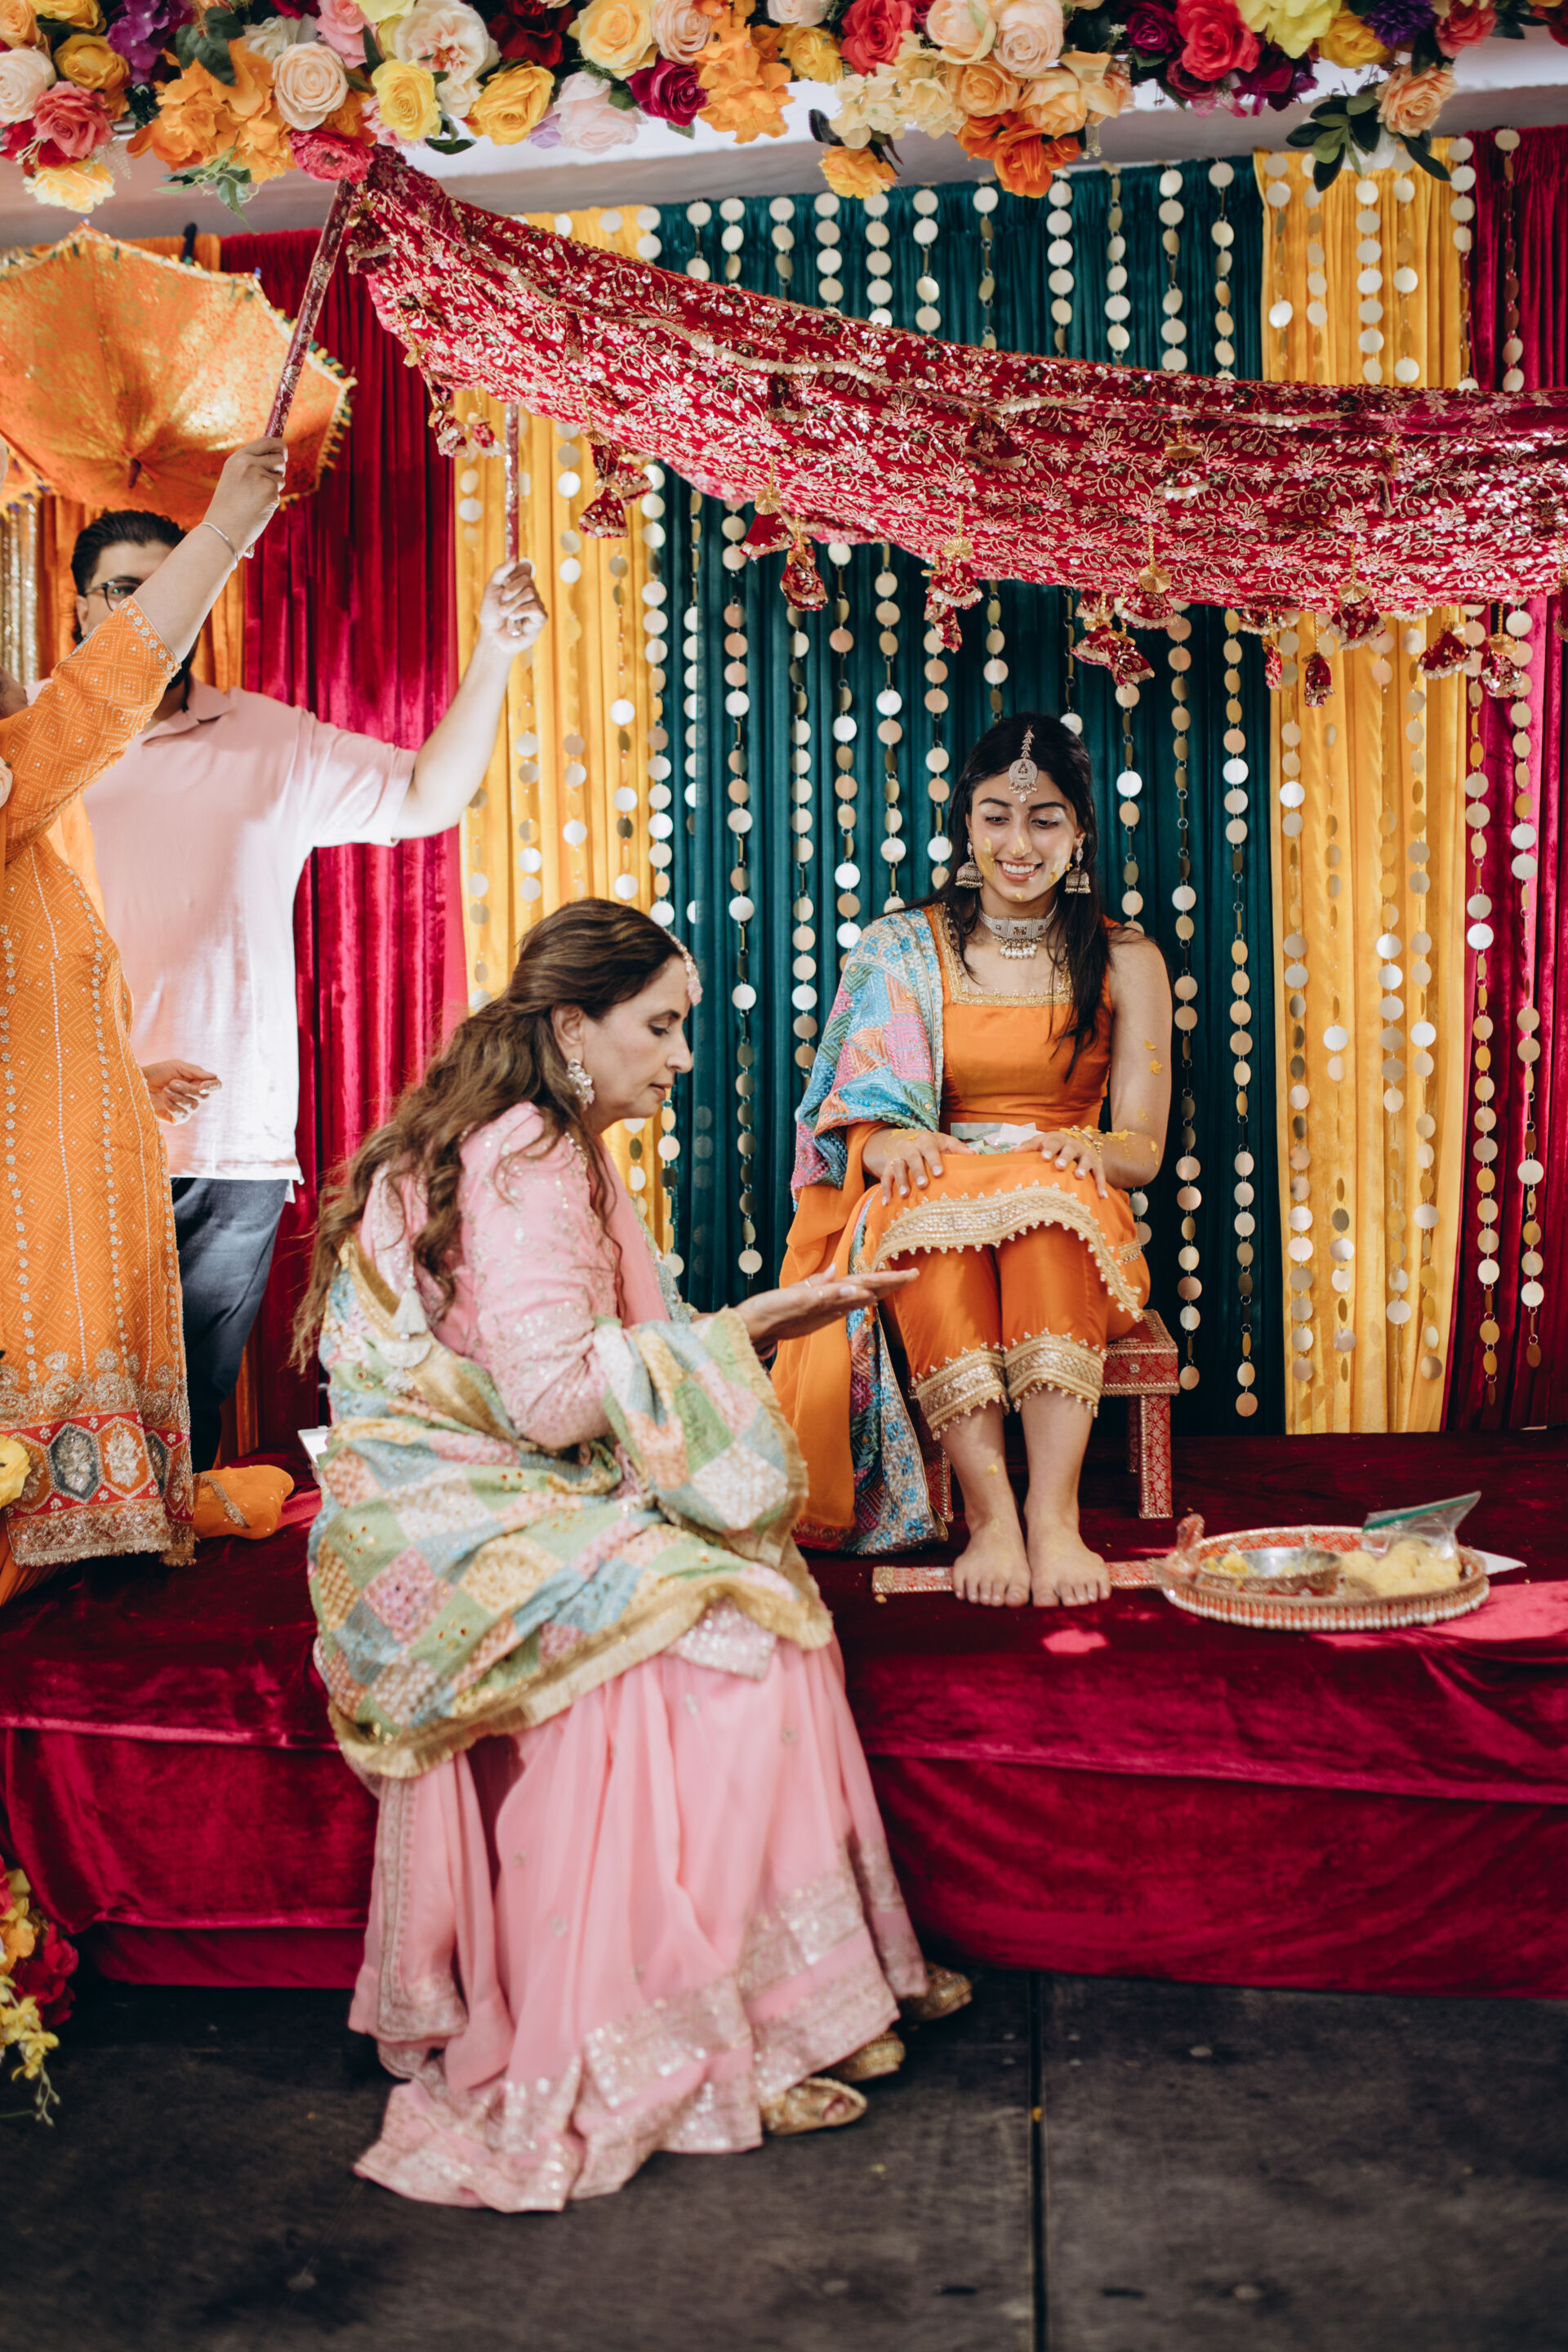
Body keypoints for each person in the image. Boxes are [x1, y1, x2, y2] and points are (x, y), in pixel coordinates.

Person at [293, 899, 962, 2209]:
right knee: (724, 1623)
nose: (681, 1057)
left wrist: (752, 1328)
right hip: (444, 1505)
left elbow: (570, 1374)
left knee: (762, 1594)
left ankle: (809, 1999)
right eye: (659, 1026)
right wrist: (756, 1325)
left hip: (489, 1481)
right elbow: (553, 1401)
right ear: (570, 1027)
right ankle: (695, 2033)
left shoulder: (550, 1145)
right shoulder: (533, 1156)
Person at [64, 508, 546, 1471]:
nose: (157, 611)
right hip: (75, 1128)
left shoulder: (265, 738)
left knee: (183, 1426)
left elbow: (428, 796)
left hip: (231, 1140)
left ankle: (170, 1568)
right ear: (80, 609)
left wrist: (494, 654)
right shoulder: (39, 734)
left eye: (178, 588)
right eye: (128, 591)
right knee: (69, 1415)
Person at [773, 713, 1173, 1611]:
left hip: (1069, 1204)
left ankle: (1053, 1517)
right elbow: (849, 1117)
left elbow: (1142, 1151)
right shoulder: (900, 948)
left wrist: (1089, 1148)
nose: (1017, 844)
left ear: (1079, 833)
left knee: (1046, 1215)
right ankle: (992, 1518)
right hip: (938, 1191)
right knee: (931, 1218)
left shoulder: (1126, 957)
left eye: (1044, 819)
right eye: (996, 816)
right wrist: (889, 1141)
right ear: (965, 822)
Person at [0, 439, 286, 1607]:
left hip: (91, 1177)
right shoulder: (22, 782)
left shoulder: (33, 823)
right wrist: (221, 533)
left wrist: (118, 1075)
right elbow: (104, 692)